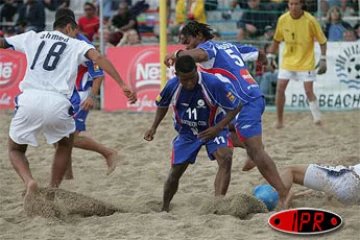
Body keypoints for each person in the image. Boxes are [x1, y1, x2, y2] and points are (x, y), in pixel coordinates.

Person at [0, 16, 137, 205]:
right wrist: (122, 84)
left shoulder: (33, 36)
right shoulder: (76, 44)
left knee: (15, 149)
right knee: (65, 144)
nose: (77, 35)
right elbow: (98, 58)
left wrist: (92, 95)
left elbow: (3, 43)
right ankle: (53, 189)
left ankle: (30, 181)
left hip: (30, 98)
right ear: (68, 28)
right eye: (75, 31)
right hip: (59, 101)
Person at [164, 21, 290, 208]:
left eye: (188, 41)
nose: (187, 46)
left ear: (199, 35)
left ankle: (283, 193)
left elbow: (197, 54)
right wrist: (263, 58)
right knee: (222, 129)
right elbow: (258, 52)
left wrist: (176, 54)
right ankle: (249, 154)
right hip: (246, 99)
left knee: (255, 150)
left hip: (246, 102)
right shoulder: (229, 45)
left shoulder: (207, 48)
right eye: (183, 44)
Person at [144, 55, 242, 212]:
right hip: (187, 134)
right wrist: (153, 127)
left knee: (226, 157)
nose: (189, 83)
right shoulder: (172, 86)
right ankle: (164, 207)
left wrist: (218, 128)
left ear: (196, 70)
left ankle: (217, 204)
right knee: (175, 172)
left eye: (192, 78)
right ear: (177, 75)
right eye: (185, 79)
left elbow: (236, 105)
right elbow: (162, 105)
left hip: (213, 130)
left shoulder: (213, 83)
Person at [55, 8, 120, 179]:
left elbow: (98, 72)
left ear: (69, 26)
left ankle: (108, 153)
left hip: (82, 93)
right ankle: (68, 179)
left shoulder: (84, 45)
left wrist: (92, 96)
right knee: (60, 141)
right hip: (66, 94)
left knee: (69, 139)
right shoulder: (56, 41)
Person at [267, 0, 327, 129]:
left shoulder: (310, 20)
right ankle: (280, 121)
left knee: (308, 91)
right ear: (288, 5)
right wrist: (270, 56)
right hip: (287, 61)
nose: (293, 7)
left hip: (306, 62)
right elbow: (276, 40)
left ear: (301, 5)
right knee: (279, 89)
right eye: (291, 4)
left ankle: (317, 119)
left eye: (296, 4)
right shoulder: (283, 19)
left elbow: (322, 40)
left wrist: (323, 59)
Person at [280, 163, 360, 206]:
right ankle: (295, 196)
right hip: (352, 196)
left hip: (349, 178)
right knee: (323, 192)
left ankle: (282, 201)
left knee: (290, 170)